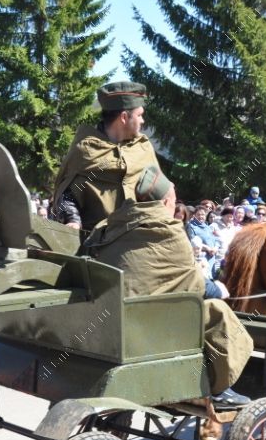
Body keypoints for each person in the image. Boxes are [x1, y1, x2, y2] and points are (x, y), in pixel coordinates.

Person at [82, 166, 252, 408]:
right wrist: (218, 290)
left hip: (106, 321)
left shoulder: (111, 225)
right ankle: (217, 387)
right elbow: (190, 282)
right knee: (218, 312)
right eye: (173, 200)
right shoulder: (168, 231)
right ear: (165, 201)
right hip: (145, 327)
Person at [52, 81, 161, 232]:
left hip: (139, 240)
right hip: (97, 241)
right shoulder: (86, 150)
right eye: (139, 115)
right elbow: (67, 194)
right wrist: (73, 219)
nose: (142, 121)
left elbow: (159, 189)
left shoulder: (143, 147)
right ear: (124, 117)